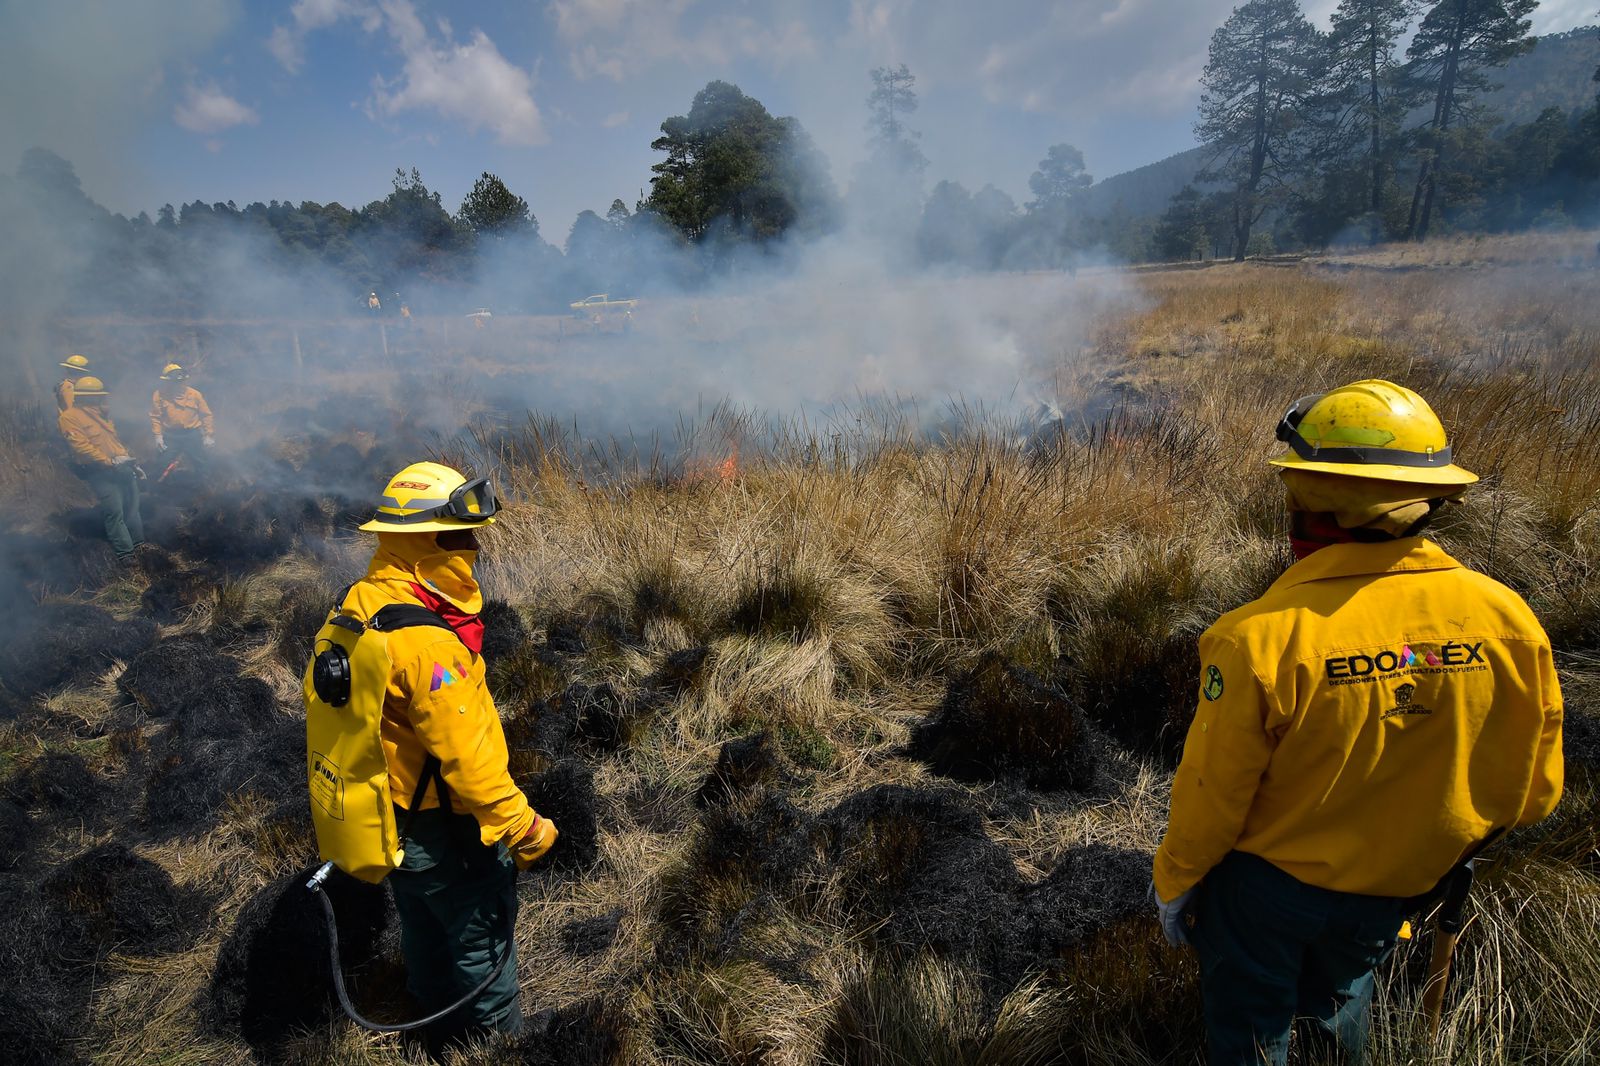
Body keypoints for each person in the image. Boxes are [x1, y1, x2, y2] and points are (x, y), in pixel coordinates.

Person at [1152, 379, 1564, 1066]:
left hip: (1267, 894)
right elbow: (1537, 792)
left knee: (1251, 1031)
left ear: (1306, 503)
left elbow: (1211, 795)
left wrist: (1176, 881)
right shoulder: (1509, 621)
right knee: (1340, 1008)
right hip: (1398, 887)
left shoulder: (1258, 641)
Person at [341, 461, 557, 1051]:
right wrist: (523, 827)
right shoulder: (428, 643)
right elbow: (468, 758)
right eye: (462, 537)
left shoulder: (362, 602)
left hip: (389, 814)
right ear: (427, 541)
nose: (475, 548)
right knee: (479, 941)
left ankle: (435, 1032)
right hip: (446, 826)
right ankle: (497, 1049)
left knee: (422, 924)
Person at [58, 376, 144, 559]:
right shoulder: (69, 417)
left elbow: (114, 441)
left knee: (132, 506)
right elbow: (81, 446)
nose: (101, 399)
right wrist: (109, 461)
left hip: (122, 467)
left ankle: (141, 546)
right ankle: (126, 554)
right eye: (98, 396)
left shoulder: (102, 414)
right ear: (86, 397)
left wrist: (131, 462)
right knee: (114, 511)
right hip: (100, 471)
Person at [150, 363, 215, 466]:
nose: (178, 384)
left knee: (201, 463)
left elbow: (206, 415)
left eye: (180, 381)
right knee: (162, 463)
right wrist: (158, 436)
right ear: (167, 382)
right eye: (174, 382)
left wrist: (208, 435)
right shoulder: (159, 395)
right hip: (170, 435)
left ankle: (203, 476)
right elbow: (155, 417)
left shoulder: (195, 394)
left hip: (192, 435)